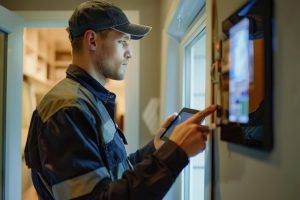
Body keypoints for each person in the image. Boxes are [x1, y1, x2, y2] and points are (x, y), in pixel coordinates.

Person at [24, 1, 217, 199]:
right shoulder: (68, 110)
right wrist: (175, 153)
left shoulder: (87, 99)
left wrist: (156, 148)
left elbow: (111, 173)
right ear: (92, 40)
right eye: (123, 41)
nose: (129, 52)